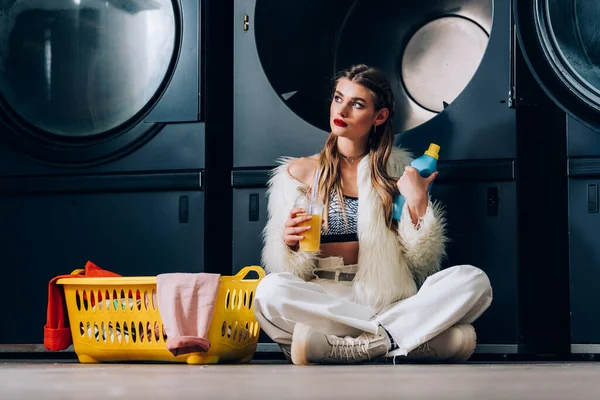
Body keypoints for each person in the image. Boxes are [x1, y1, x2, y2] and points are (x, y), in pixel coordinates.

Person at [253, 64, 493, 365]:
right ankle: (403, 338)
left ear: (378, 117)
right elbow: (287, 272)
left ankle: (355, 345)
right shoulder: (296, 173)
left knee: (473, 280)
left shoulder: (398, 170)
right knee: (270, 291)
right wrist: (288, 245)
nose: (342, 110)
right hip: (325, 301)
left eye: (357, 104)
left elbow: (422, 264)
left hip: (386, 298)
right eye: (338, 98)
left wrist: (418, 202)